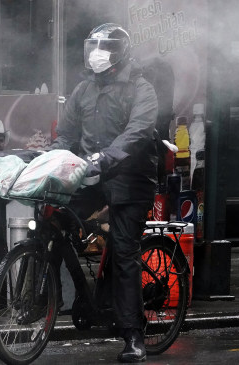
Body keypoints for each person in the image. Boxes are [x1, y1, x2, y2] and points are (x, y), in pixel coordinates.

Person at [50, 23, 158, 363]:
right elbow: (66, 134)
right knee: (58, 222)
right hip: (91, 175)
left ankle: (133, 335)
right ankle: (83, 296)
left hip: (130, 179)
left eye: (105, 46)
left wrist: (106, 157)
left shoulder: (141, 89)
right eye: (92, 45)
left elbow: (138, 132)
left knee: (125, 253)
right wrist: (57, 158)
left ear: (120, 51)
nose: (97, 52)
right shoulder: (84, 89)